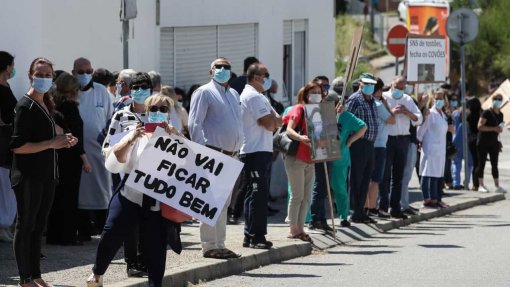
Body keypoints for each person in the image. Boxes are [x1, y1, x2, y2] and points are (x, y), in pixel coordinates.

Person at [86, 95, 182, 287]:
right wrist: (131, 138)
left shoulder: (175, 136)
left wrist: (177, 137)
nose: (158, 112)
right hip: (130, 194)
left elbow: (190, 167)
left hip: (157, 200)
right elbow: (115, 159)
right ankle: (98, 272)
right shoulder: (133, 131)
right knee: (111, 231)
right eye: (154, 109)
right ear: (147, 112)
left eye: (163, 109)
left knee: (156, 246)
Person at [10, 57, 78, 287]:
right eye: (40, 74)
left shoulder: (46, 105)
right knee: (25, 224)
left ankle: (35, 274)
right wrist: (51, 143)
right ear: (30, 75)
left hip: (47, 175)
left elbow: (50, 136)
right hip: (28, 176)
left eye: (48, 75)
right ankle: (24, 278)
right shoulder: (25, 106)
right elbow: (18, 146)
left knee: (39, 227)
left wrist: (64, 139)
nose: (44, 79)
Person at [102, 72, 157, 277]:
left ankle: (145, 260)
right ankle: (132, 261)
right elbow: (108, 145)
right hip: (127, 174)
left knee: (149, 220)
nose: (140, 92)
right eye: (136, 88)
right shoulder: (121, 115)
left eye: (145, 87)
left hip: (152, 176)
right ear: (130, 90)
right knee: (129, 221)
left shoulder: (158, 113)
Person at [188, 57, 244, 259]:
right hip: (213, 154)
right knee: (211, 201)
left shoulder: (234, 93)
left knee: (224, 203)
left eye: (226, 67)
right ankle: (210, 245)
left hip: (233, 156)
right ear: (211, 71)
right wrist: (201, 154)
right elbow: (195, 124)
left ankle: (220, 243)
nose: (222, 69)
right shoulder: (204, 92)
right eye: (217, 67)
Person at [46, 73, 92, 246]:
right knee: (70, 196)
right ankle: (67, 236)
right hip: (71, 157)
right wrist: (85, 159)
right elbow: (75, 135)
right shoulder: (70, 107)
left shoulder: (55, 106)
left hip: (59, 154)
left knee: (58, 196)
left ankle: (55, 234)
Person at [238, 63, 280, 249]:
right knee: (257, 194)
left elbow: (278, 120)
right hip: (254, 151)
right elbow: (271, 123)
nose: (268, 78)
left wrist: (274, 119)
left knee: (254, 193)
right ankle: (256, 236)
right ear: (256, 77)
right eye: (266, 74)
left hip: (259, 149)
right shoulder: (253, 97)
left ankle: (251, 235)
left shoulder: (260, 96)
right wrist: (274, 119)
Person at [72, 58, 114, 242]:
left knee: (103, 189)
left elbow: (110, 119)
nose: (85, 75)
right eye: (80, 72)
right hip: (76, 151)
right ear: (73, 72)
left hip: (99, 150)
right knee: (79, 190)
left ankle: (105, 227)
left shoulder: (102, 91)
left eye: (88, 71)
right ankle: (83, 229)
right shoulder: (70, 91)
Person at [282, 82, 322, 241]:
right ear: (306, 94)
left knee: (306, 197)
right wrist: (300, 138)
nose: (317, 94)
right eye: (313, 92)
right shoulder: (299, 109)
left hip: (311, 159)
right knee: (297, 196)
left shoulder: (318, 111)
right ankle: (293, 229)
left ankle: (301, 228)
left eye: (319, 92)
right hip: (296, 157)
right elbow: (289, 129)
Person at [380, 76, 422, 219]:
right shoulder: (384, 97)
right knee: (385, 175)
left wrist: (406, 112)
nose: (399, 90)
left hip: (403, 140)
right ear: (391, 84)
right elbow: (380, 115)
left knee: (398, 176)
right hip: (387, 139)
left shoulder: (407, 99)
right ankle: (383, 207)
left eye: (402, 88)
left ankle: (395, 207)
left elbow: (419, 118)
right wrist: (393, 111)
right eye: (397, 87)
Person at [344, 73, 378, 223]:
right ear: (360, 85)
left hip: (370, 143)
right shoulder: (354, 100)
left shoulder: (372, 100)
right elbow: (346, 119)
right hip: (358, 143)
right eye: (367, 84)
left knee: (366, 178)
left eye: (372, 85)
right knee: (356, 177)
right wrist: (349, 140)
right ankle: (354, 210)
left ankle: (361, 210)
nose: (370, 87)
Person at [331, 100, 367, 227]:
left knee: (340, 188)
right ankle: (313, 218)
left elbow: (363, 126)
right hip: (321, 157)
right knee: (317, 190)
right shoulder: (320, 113)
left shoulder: (346, 116)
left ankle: (343, 216)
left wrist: (351, 140)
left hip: (340, 158)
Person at [308, 75, 335, 232]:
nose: (324, 89)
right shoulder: (311, 106)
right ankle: (315, 218)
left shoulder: (327, 105)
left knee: (325, 186)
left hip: (328, 147)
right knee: (319, 185)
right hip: (316, 148)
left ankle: (321, 218)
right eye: (321, 87)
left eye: (326, 86)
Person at [365, 78, 395, 216]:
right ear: (378, 90)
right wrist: (387, 105)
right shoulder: (378, 104)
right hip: (379, 145)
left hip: (370, 143)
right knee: (375, 179)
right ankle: (371, 207)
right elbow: (392, 119)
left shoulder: (369, 103)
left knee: (368, 178)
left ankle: (366, 206)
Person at [417, 89, 448, 208]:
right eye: (437, 98)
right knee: (427, 173)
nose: (439, 100)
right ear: (433, 99)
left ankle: (436, 199)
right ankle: (427, 199)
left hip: (440, 149)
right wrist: (418, 140)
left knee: (438, 174)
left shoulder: (443, 115)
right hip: (430, 147)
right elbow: (421, 129)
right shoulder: (430, 114)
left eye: (442, 98)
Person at [0, 51, 17, 243]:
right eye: (12, 65)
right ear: (7, 67)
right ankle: (2, 225)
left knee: (7, 187)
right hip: (2, 144)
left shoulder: (6, 86)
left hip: (8, 144)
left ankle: (5, 224)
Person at [476, 93, 506, 193]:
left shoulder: (501, 114)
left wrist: (499, 132)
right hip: (483, 141)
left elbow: (499, 128)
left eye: (500, 99)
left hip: (494, 142)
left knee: (495, 164)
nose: (497, 101)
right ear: (492, 100)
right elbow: (479, 126)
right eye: (496, 99)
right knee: (482, 163)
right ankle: (481, 185)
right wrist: (494, 128)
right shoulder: (486, 113)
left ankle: (497, 186)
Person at [467, 96, 481, 190]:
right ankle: (477, 184)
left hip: (471, 141)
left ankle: (475, 185)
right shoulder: (481, 114)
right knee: (479, 163)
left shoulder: (468, 116)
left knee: (475, 162)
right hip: (479, 140)